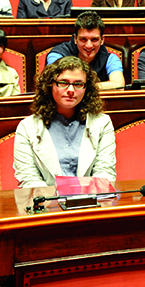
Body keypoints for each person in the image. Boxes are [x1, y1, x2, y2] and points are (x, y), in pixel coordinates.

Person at [13, 56, 116, 188]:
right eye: (63, 82)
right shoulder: (27, 127)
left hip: (91, 203)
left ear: (87, 88)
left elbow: (105, 172)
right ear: (50, 85)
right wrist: (54, 201)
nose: (71, 90)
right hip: (47, 204)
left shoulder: (103, 123)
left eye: (78, 84)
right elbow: (28, 178)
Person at [46, 11, 125, 89]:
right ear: (75, 39)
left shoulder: (110, 59)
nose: (89, 45)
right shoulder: (57, 55)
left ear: (102, 40)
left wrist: (82, 86)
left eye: (94, 39)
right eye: (83, 39)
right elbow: (53, 83)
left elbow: (119, 85)